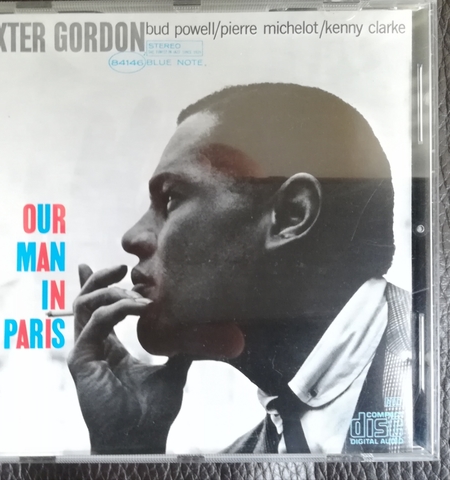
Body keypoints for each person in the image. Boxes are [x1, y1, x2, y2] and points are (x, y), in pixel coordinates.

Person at [67, 83, 412, 455]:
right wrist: (128, 449)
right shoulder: (239, 460)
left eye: (172, 198)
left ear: (291, 214)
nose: (132, 237)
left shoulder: (434, 364)